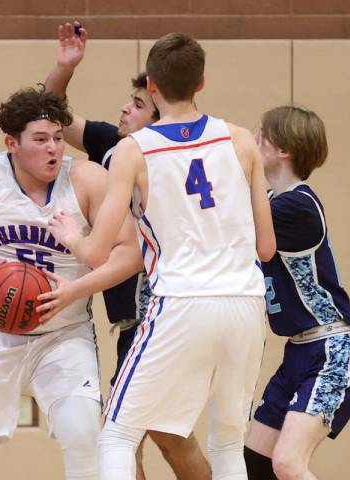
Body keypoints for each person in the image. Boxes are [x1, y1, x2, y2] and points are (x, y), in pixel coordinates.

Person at [47, 33, 276, 480]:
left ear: (151, 85)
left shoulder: (134, 149)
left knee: (117, 434)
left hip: (181, 302)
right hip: (246, 305)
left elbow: (97, 251)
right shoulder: (242, 140)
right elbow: (265, 248)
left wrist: (72, 235)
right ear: (202, 82)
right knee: (228, 443)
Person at [0, 86, 141, 480]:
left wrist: (75, 290)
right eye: (40, 140)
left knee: (84, 439)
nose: (53, 148)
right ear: (12, 142)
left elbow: (130, 252)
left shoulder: (88, 179)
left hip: (63, 336)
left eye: (57, 138)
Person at [44, 22, 159, 479]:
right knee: (157, 440)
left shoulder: (162, 157)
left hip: (156, 307)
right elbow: (51, 111)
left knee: (118, 435)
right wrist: (65, 66)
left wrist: (77, 242)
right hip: (133, 314)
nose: (124, 109)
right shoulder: (113, 143)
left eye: (136, 105)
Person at [244, 106, 350, 480]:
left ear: (284, 149)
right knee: (254, 462)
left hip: (331, 349)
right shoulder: (274, 202)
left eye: (261, 135)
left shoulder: (296, 206)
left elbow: (233, 215)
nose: (253, 139)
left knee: (288, 462)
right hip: (299, 350)